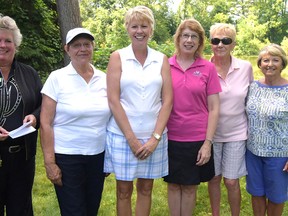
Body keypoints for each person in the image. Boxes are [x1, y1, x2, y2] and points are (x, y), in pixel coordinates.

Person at [103, 6, 173, 216]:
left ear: (151, 29)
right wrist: (131, 139)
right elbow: (114, 100)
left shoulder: (161, 59)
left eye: (144, 26)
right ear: (127, 28)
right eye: (134, 26)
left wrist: (155, 137)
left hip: (153, 137)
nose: (139, 31)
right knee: (123, 191)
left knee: (146, 188)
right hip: (122, 136)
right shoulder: (118, 57)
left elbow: (167, 100)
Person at [40, 27, 111, 216]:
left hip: (97, 156)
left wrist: (109, 158)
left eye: (87, 44)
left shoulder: (104, 78)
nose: (82, 49)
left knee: (91, 209)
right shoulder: (57, 78)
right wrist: (50, 163)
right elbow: (45, 123)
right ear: (67, 49)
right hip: (67, 157)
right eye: (77, 45)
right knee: (74, 211)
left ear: (93, 47)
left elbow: (111, 119)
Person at [163, 18, 221, 215]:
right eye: (185, 35)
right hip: (169, 137)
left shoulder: (208, 68)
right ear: (178, 39)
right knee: (172, 185)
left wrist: (208, 143)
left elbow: (214, 108)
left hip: (196, 138)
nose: (189, 40)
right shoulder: (165, 65)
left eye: (194, 37)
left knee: (189, 187)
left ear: (200, 41)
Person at [207, 23, 254, 216]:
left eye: (225, 40)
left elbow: (251, 99)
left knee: (232, 181)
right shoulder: (204, 67)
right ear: (210, 43)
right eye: (215, 40)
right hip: (211, 133)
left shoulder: (245, 67)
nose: (220, 44)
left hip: (237, 132)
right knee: (214, 178)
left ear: (233, 44)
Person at [0, 15, 42, 215]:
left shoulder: (30, 74)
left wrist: (35, 118)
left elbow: (43, 107)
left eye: (8, 40)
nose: (3, 45)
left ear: (15, 44)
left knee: (21, 210)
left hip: (22, 158)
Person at [245, 44, 288, 216]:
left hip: (280, 155)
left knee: (277, 198)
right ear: (260, 64)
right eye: (266, 60)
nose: (270, 64)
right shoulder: (253, 87)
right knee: (256, 193)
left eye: (275, 60)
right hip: (253, 152)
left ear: (282, 63)